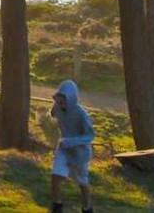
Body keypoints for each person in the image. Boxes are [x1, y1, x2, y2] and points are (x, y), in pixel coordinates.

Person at [49, 79, 95, 213]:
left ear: (71, 98)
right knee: (56, 176)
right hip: (63, 148)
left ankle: (87, 207)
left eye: (63, 101)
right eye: (59, 100)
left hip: (80, 152)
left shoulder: (81, 113)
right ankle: (57, 206)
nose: (61, 104)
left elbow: (90, 136)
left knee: (82, 182)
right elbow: (51, 116)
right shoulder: (56, 107)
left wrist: (74, 141)